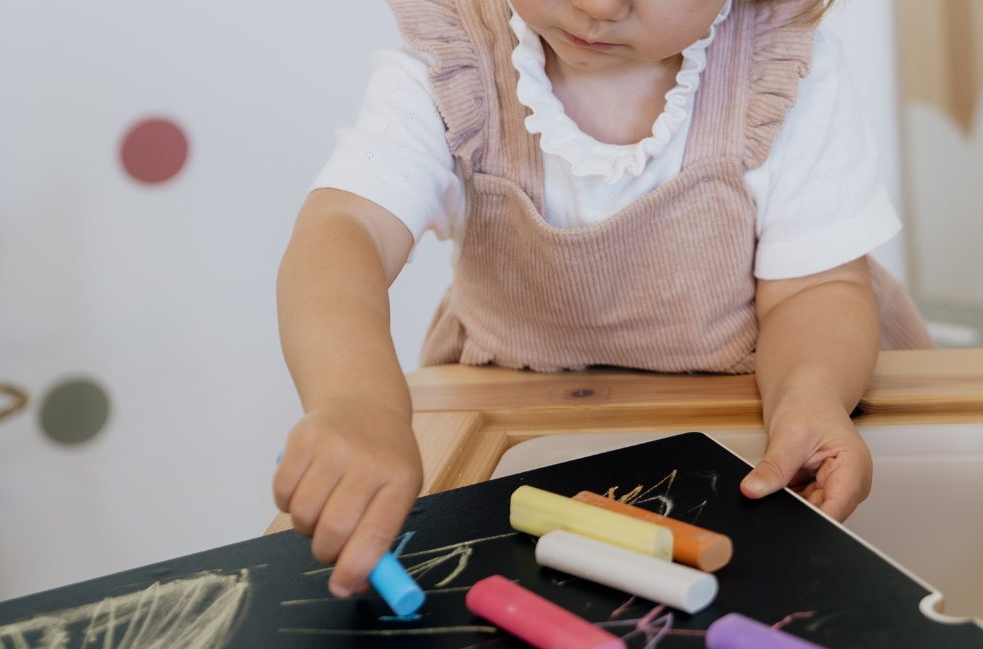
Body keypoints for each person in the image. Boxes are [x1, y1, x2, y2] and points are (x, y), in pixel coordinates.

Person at [273, 0, 932, 599]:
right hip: (521, 425)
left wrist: (811, 395)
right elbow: (346, 230)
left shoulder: (784, 72)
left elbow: (814, 291)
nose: (599, 5)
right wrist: (357, 401)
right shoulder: (453, 61)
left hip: (747, 420)